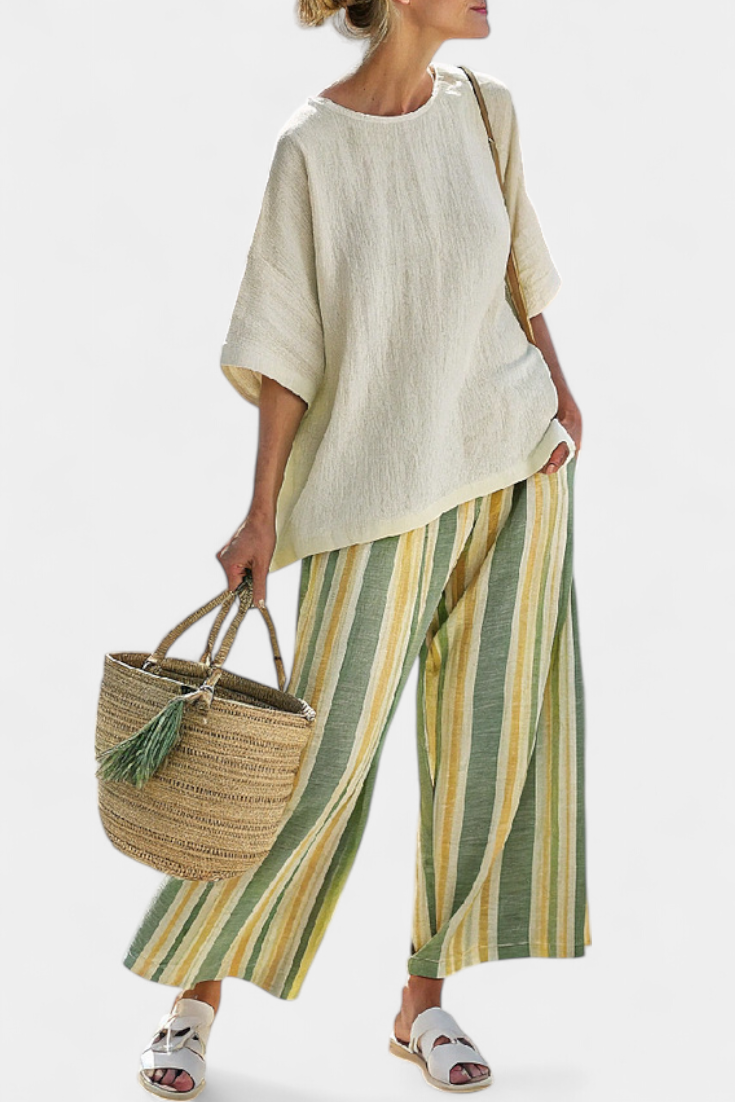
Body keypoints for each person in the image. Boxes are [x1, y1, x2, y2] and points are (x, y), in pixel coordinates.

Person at [131, 0, 590, 1096]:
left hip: (514, 472)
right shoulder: (313, 149)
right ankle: (194, 993)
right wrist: (261, 512)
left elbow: (522, 279)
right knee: (312, 761)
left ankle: (421, 1002)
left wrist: (562, 397)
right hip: (374, 494)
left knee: (487, 748)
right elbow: (282, 345)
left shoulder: (488, 111)